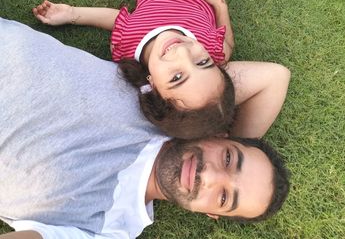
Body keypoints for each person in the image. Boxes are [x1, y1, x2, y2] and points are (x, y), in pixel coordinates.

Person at [0, 18, 290, 239]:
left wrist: (233, 151)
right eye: (228, 159)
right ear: (219, 137)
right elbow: (274, 77)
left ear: (211, 213)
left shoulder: (110, 227)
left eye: (224, 197)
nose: (210, 175)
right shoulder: (175, 109)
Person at [32, 0, 291, 139]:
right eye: (203, 63)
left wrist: (71, 13)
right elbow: (227, 45)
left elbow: (116, 19)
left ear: (152, 84)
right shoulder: (209, 47)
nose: (183, 52)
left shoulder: (128, 45)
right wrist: (218, 3)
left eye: (177, 77)